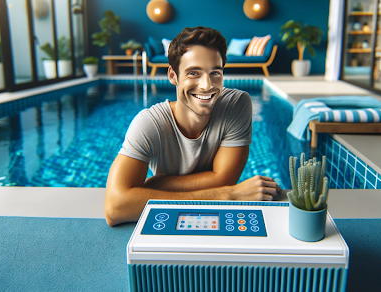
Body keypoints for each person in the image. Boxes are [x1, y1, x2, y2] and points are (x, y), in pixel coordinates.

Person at [104, 27, 281, 226]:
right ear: (173, 75)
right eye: (193, 73)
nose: (207, 85)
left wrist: (156, 184)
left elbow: (223, 180)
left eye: (215, 72)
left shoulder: (236, 104)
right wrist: (229, 195)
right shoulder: (150, 123)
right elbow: (115, 207)